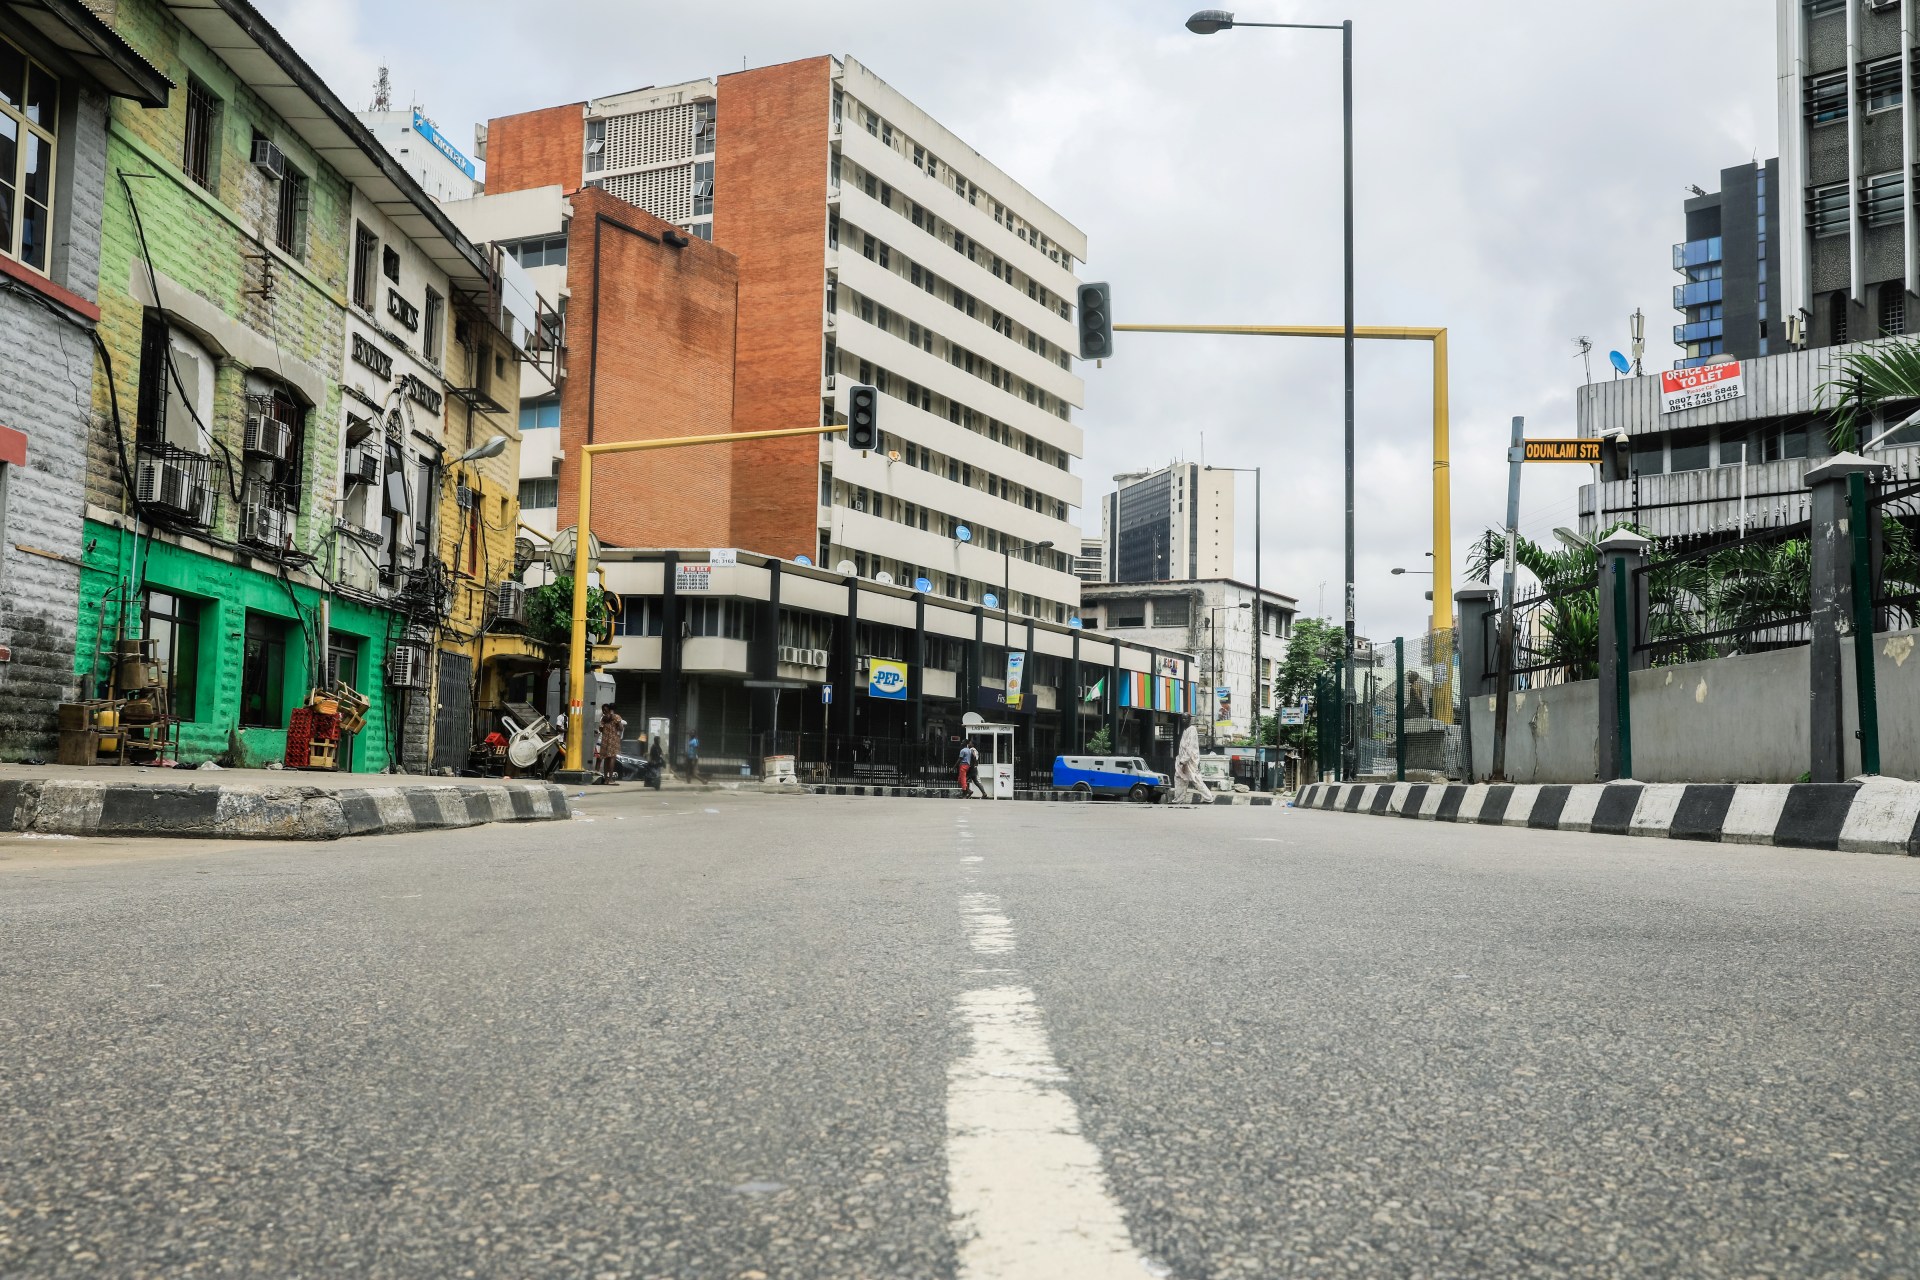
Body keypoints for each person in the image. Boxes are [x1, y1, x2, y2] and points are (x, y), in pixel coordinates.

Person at [597, 705, 626, 784]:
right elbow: (621, 728)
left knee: (606, 759)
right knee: (612, 758)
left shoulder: (603, 718)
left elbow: (600, 729)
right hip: (613, 740)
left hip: (605, 740)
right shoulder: (617, 717)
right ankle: (610, 779)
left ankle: (606, 779)